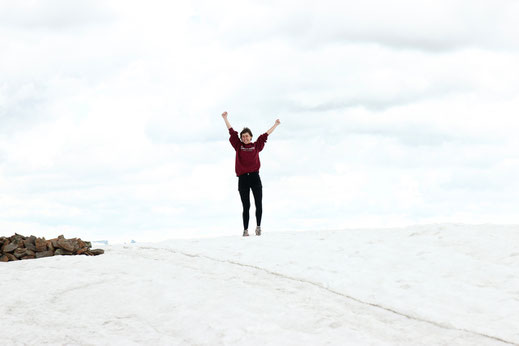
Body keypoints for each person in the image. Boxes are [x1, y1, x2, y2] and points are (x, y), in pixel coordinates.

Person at [221, 111, 280, 236]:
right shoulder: (238, 146)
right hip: (243, 179)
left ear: (251, 137)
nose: (245, 138)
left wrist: (275, 125)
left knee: (258, 203)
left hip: (255, 177)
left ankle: (258, 227)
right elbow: (232, 132)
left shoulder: (256, 146)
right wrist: (225, 118)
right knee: (246, 206)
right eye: (243, 137)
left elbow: (265, 135)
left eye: (247, 136)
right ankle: (245, 230)